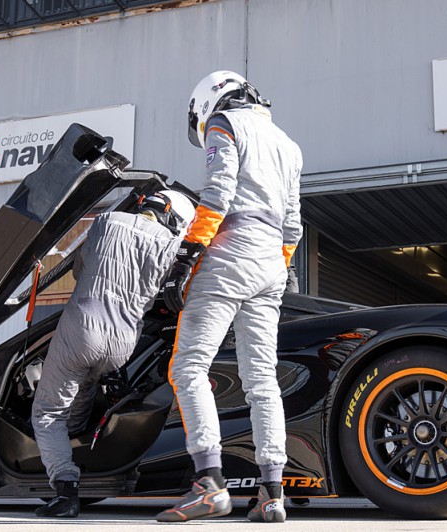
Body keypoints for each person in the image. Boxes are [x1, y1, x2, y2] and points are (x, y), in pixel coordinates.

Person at [156, 71, 302, 523]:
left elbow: (218, 193)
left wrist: (187, 255)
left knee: (188, 367)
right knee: (262, 380)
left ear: (208, 103)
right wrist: (280, 266)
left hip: (229, 254)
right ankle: (272, 493)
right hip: (271, 264)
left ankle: (209, 485)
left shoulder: (225, 123)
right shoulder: (288, 145)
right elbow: (293, 222)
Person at [32, 190, 195, 518]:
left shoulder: (106, 221)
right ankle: (78, 432)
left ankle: (65, 488)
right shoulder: (171, 245)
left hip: (81, 330)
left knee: (48, 412)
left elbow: (79, 270)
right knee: (86, 383)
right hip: (123, 341)